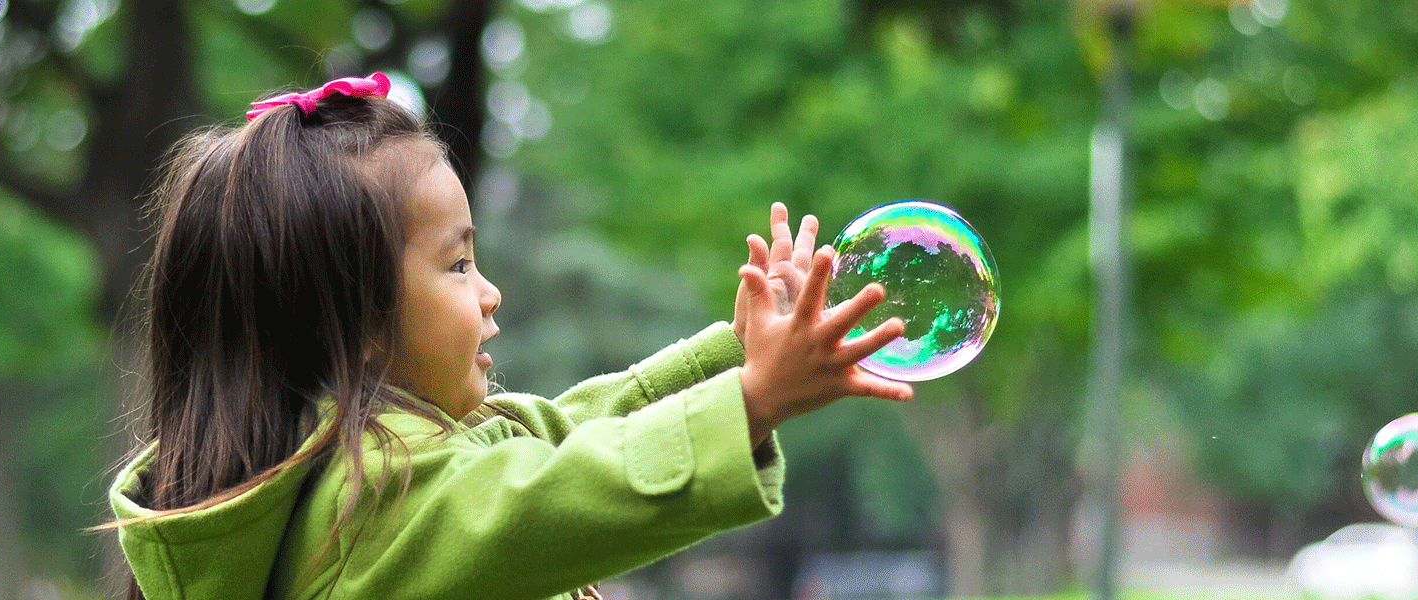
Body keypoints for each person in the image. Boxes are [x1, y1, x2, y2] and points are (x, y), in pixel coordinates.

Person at [101, 73, 912, 600]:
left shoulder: (384, 465)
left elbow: (573, 427)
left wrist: (737, 353)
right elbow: (553, 497)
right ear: (352, 326)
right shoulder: (369, 502)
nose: (490, 294)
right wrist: (754, 399)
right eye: (456, 265)